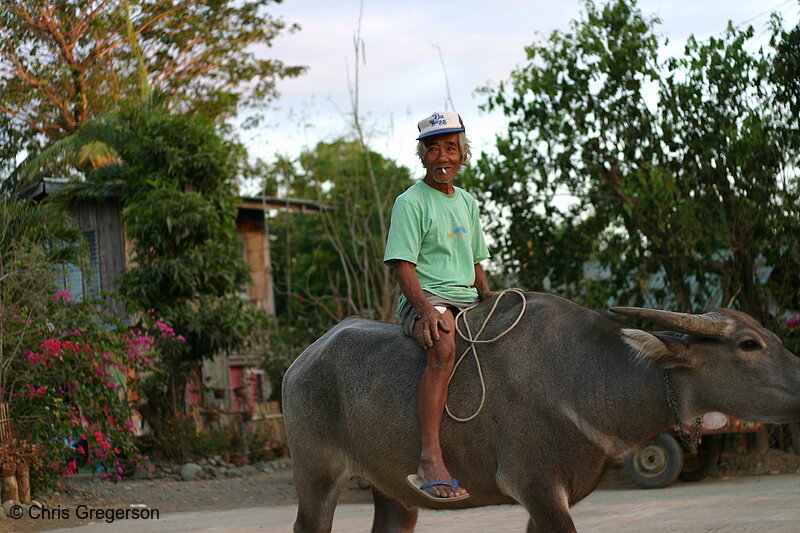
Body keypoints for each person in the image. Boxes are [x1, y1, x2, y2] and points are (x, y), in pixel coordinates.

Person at [384, 111, 495, 502]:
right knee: (443, 346)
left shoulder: (467, 202)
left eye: (451, 148)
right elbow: (402, 265)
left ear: (462, 155)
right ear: (423, 156)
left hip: (466, 298)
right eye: (434, 149)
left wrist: (489, 296)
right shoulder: (410, 202)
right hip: (427, 297)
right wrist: (427, 311)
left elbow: (476, 260)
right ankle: (430, 457)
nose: (443, 157)